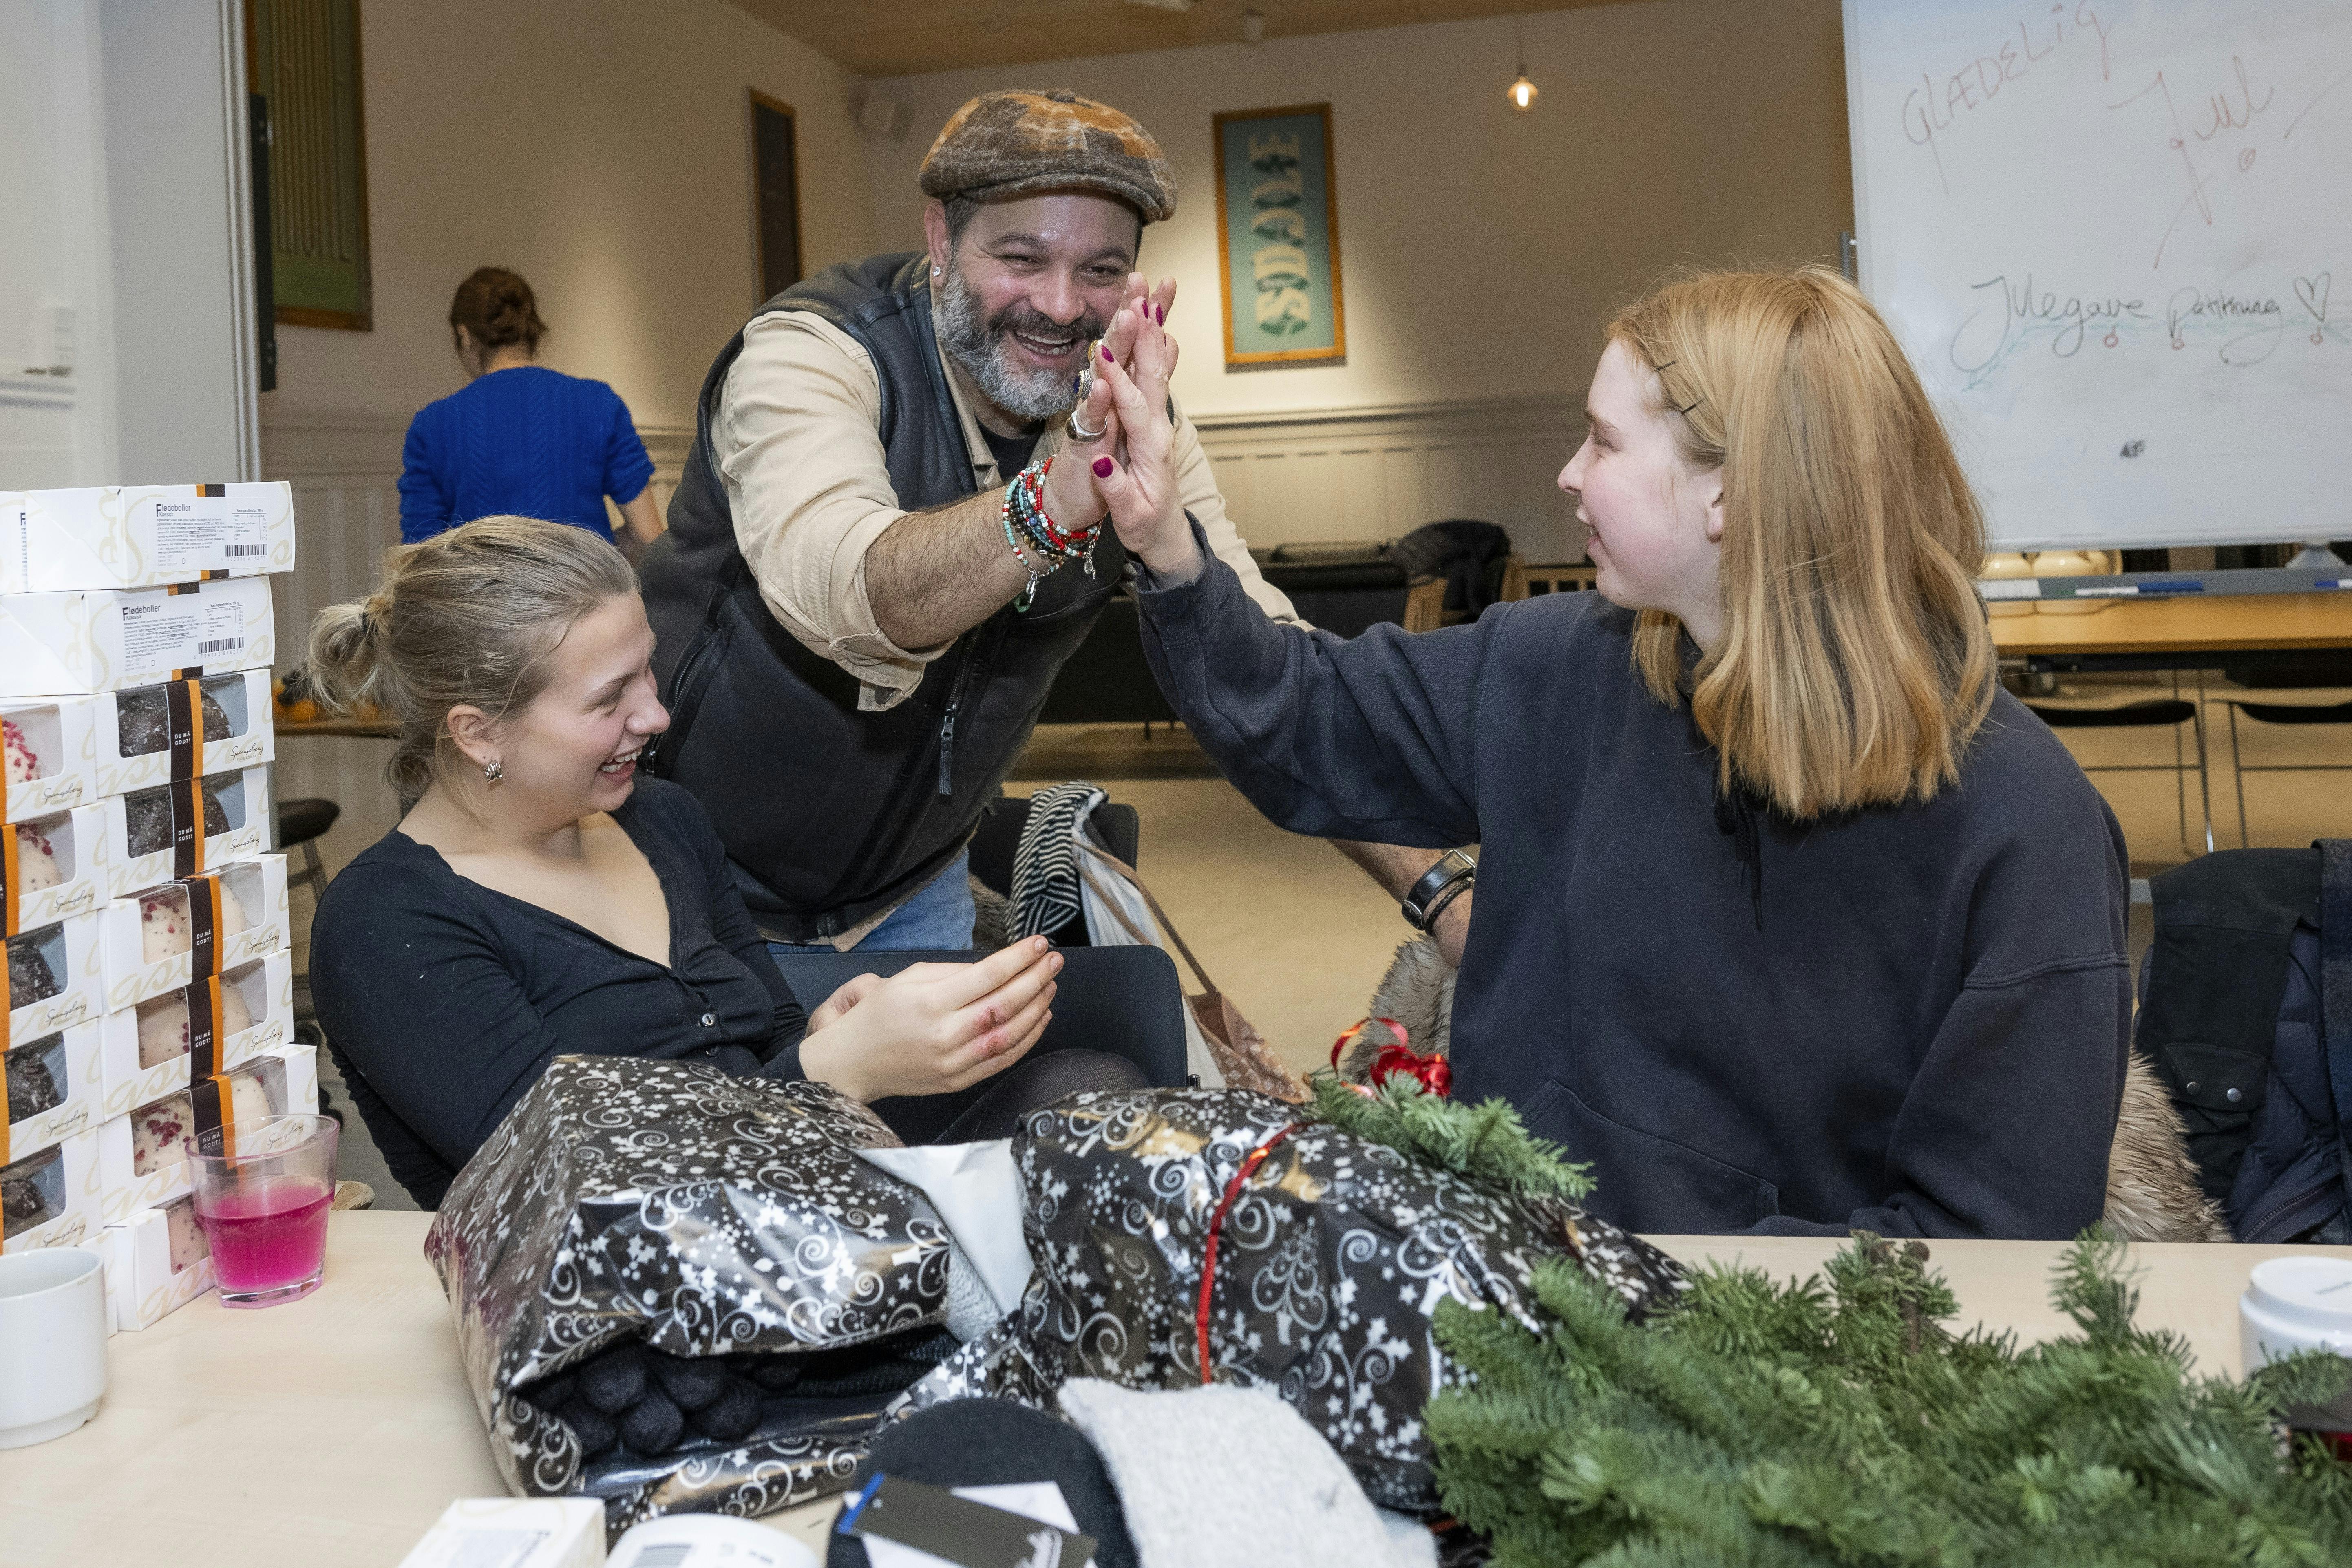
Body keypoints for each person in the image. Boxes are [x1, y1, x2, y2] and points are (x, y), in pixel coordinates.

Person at [1082, 269, 2131, 1239]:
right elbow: (1305, 720)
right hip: (1526, 1295)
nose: (1568, 474)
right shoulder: (1566, 662)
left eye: (1604, 442)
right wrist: (1171, 547)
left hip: (1798, 1386)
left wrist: (1667, 1306)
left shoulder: (2022, 822)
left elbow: (1994, 1242)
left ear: (1732, 493)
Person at [639, 89, 1312, 962]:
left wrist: (1437, 889)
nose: (1063, 307)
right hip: (688, 888)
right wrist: (1054, 500)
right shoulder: (813, 351)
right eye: (1022, 258)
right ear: (940, 242)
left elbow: (1257, 650)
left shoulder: (1136, 414)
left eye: (1102, 271)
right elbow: (851, 593)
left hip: (912, 896)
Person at [305, 517, 1143, 1209]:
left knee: (1094, 1099)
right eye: (610, 699)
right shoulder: (388, 923)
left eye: (649, 673)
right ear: (476, 731)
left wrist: (829, 1027)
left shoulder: (660, 818)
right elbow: (568, 1186)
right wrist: (838, 1070)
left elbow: (767, 1036)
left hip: (800, 1197)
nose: (657, 716)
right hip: (638, 1304)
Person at [398, 267, 665, 559]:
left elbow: (420, 559)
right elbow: (647, 537)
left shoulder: (433, 425)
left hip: (485, 603)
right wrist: (587, 554)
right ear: (530, 329)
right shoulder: (599, 402)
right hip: (588, 596)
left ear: (464, 336)